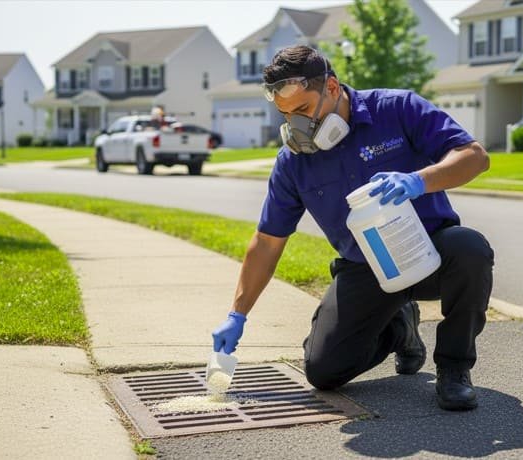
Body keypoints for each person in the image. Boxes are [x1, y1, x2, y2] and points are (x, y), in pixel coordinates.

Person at [212, 46, 494, 411]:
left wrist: (417, 181)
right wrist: (238, 314)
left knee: (470, 248)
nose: (296, 125)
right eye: (286, 115)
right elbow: (268, 240)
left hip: (428, 253)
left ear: (331, 87)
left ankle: (454, 368)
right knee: (323, 371)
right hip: (366, 268)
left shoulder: (397, 109)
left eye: (301, 110)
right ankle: (399, 328)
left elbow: (474, 157)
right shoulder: (293, 164)